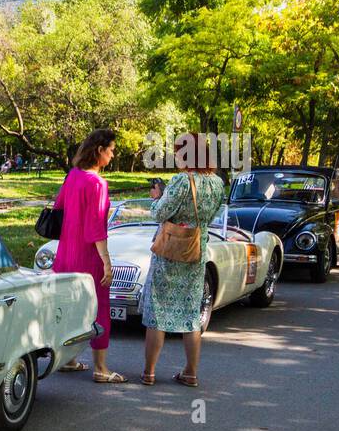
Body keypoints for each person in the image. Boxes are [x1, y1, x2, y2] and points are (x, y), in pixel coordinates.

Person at [140, 133, 227, 387]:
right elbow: (209, 215)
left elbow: (159, 213)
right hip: (197, 250)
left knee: (158, 310)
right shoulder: (217, 183)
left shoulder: (181, 180)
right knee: (191, 312)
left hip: (171, 252)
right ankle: (190, 372)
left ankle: (149, 372)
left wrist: (156, 197)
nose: (176, 156)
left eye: (179, 152)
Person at [54, 128, 124, 383]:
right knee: (100, 308)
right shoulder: (97, 183)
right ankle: (101, 369)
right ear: (99, 151)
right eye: (111, 150)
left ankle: (68, 359)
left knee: (70, 308)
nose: (113, 155)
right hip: (87, 258)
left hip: (65, 255)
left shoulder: (72, 176)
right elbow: (96, 228)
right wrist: (106, 261)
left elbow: (58, 206)